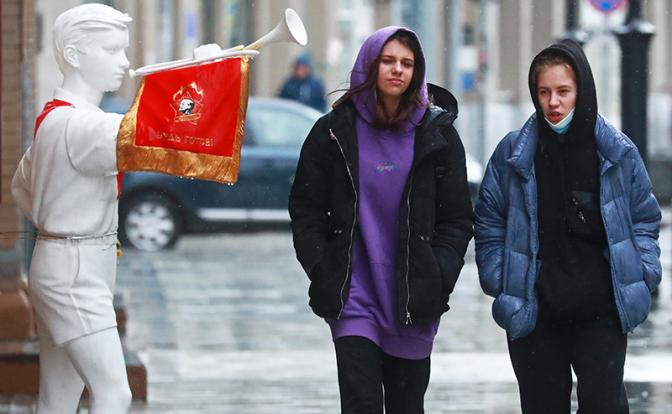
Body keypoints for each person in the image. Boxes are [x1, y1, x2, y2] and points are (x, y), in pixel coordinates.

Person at [289, 26, 473, 413]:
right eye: (388, 61)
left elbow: (456, 218)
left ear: (417, 72)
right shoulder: (332, 132)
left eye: (407, 63)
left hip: (413, 296)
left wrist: (438, 273)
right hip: (354, 297)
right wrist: (322, 267)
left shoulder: (437, 135)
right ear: (369, 66)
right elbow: (306, 208)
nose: (397, 70)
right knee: (361, 402)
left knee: (407, 404)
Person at [474, 39, 661, 413]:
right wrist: (501, 278)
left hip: (602, 312)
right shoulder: (513, 153)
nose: (553, 103)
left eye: (563, 91)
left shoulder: (617, 152)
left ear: (582, 91)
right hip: (536, 313)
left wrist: (641, 273)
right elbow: (489, 220)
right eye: (544, 92)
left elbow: (644, 218)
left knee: (605, 405)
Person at [11, 4, 133, 413]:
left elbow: (20, 186)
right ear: (73, 55)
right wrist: (203, 76)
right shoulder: (84, 125)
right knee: (114, 393)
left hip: (62, 260)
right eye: (112, 50)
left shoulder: (55, 120)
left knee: (58, 398)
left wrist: (56, 220)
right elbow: (160, 138)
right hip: (77, 269)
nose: (124, 62)